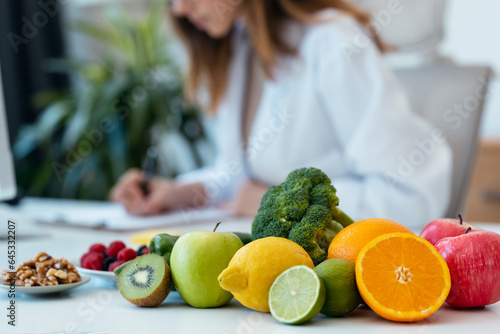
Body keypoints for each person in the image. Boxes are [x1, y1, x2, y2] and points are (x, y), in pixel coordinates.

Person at [110, 0, 452, 226]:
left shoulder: (333, 42)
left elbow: (410, 197)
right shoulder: (242, 44)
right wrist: (177, 194)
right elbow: (242, 179)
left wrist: (279, 202)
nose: (180, 7)